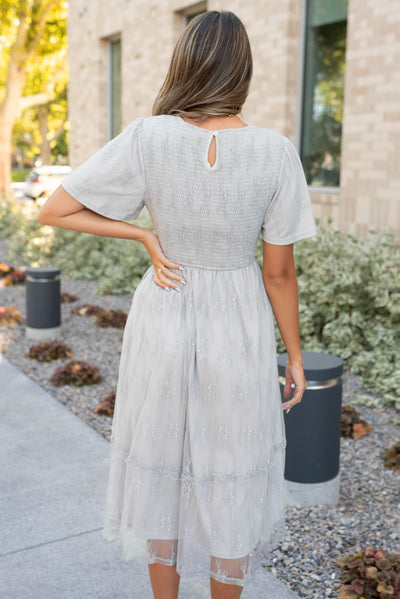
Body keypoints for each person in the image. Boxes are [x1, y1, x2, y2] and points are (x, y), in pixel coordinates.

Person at [39, 9, 317, 599]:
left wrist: (143, 234)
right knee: (233, 460)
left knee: (159, 453)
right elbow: (280, 272)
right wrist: (294, 355)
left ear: (184, 63)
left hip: (165, 304)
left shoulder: (147, 135)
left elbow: (55, 208)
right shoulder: (276, 152)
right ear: (243, 69)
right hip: (239, 318)